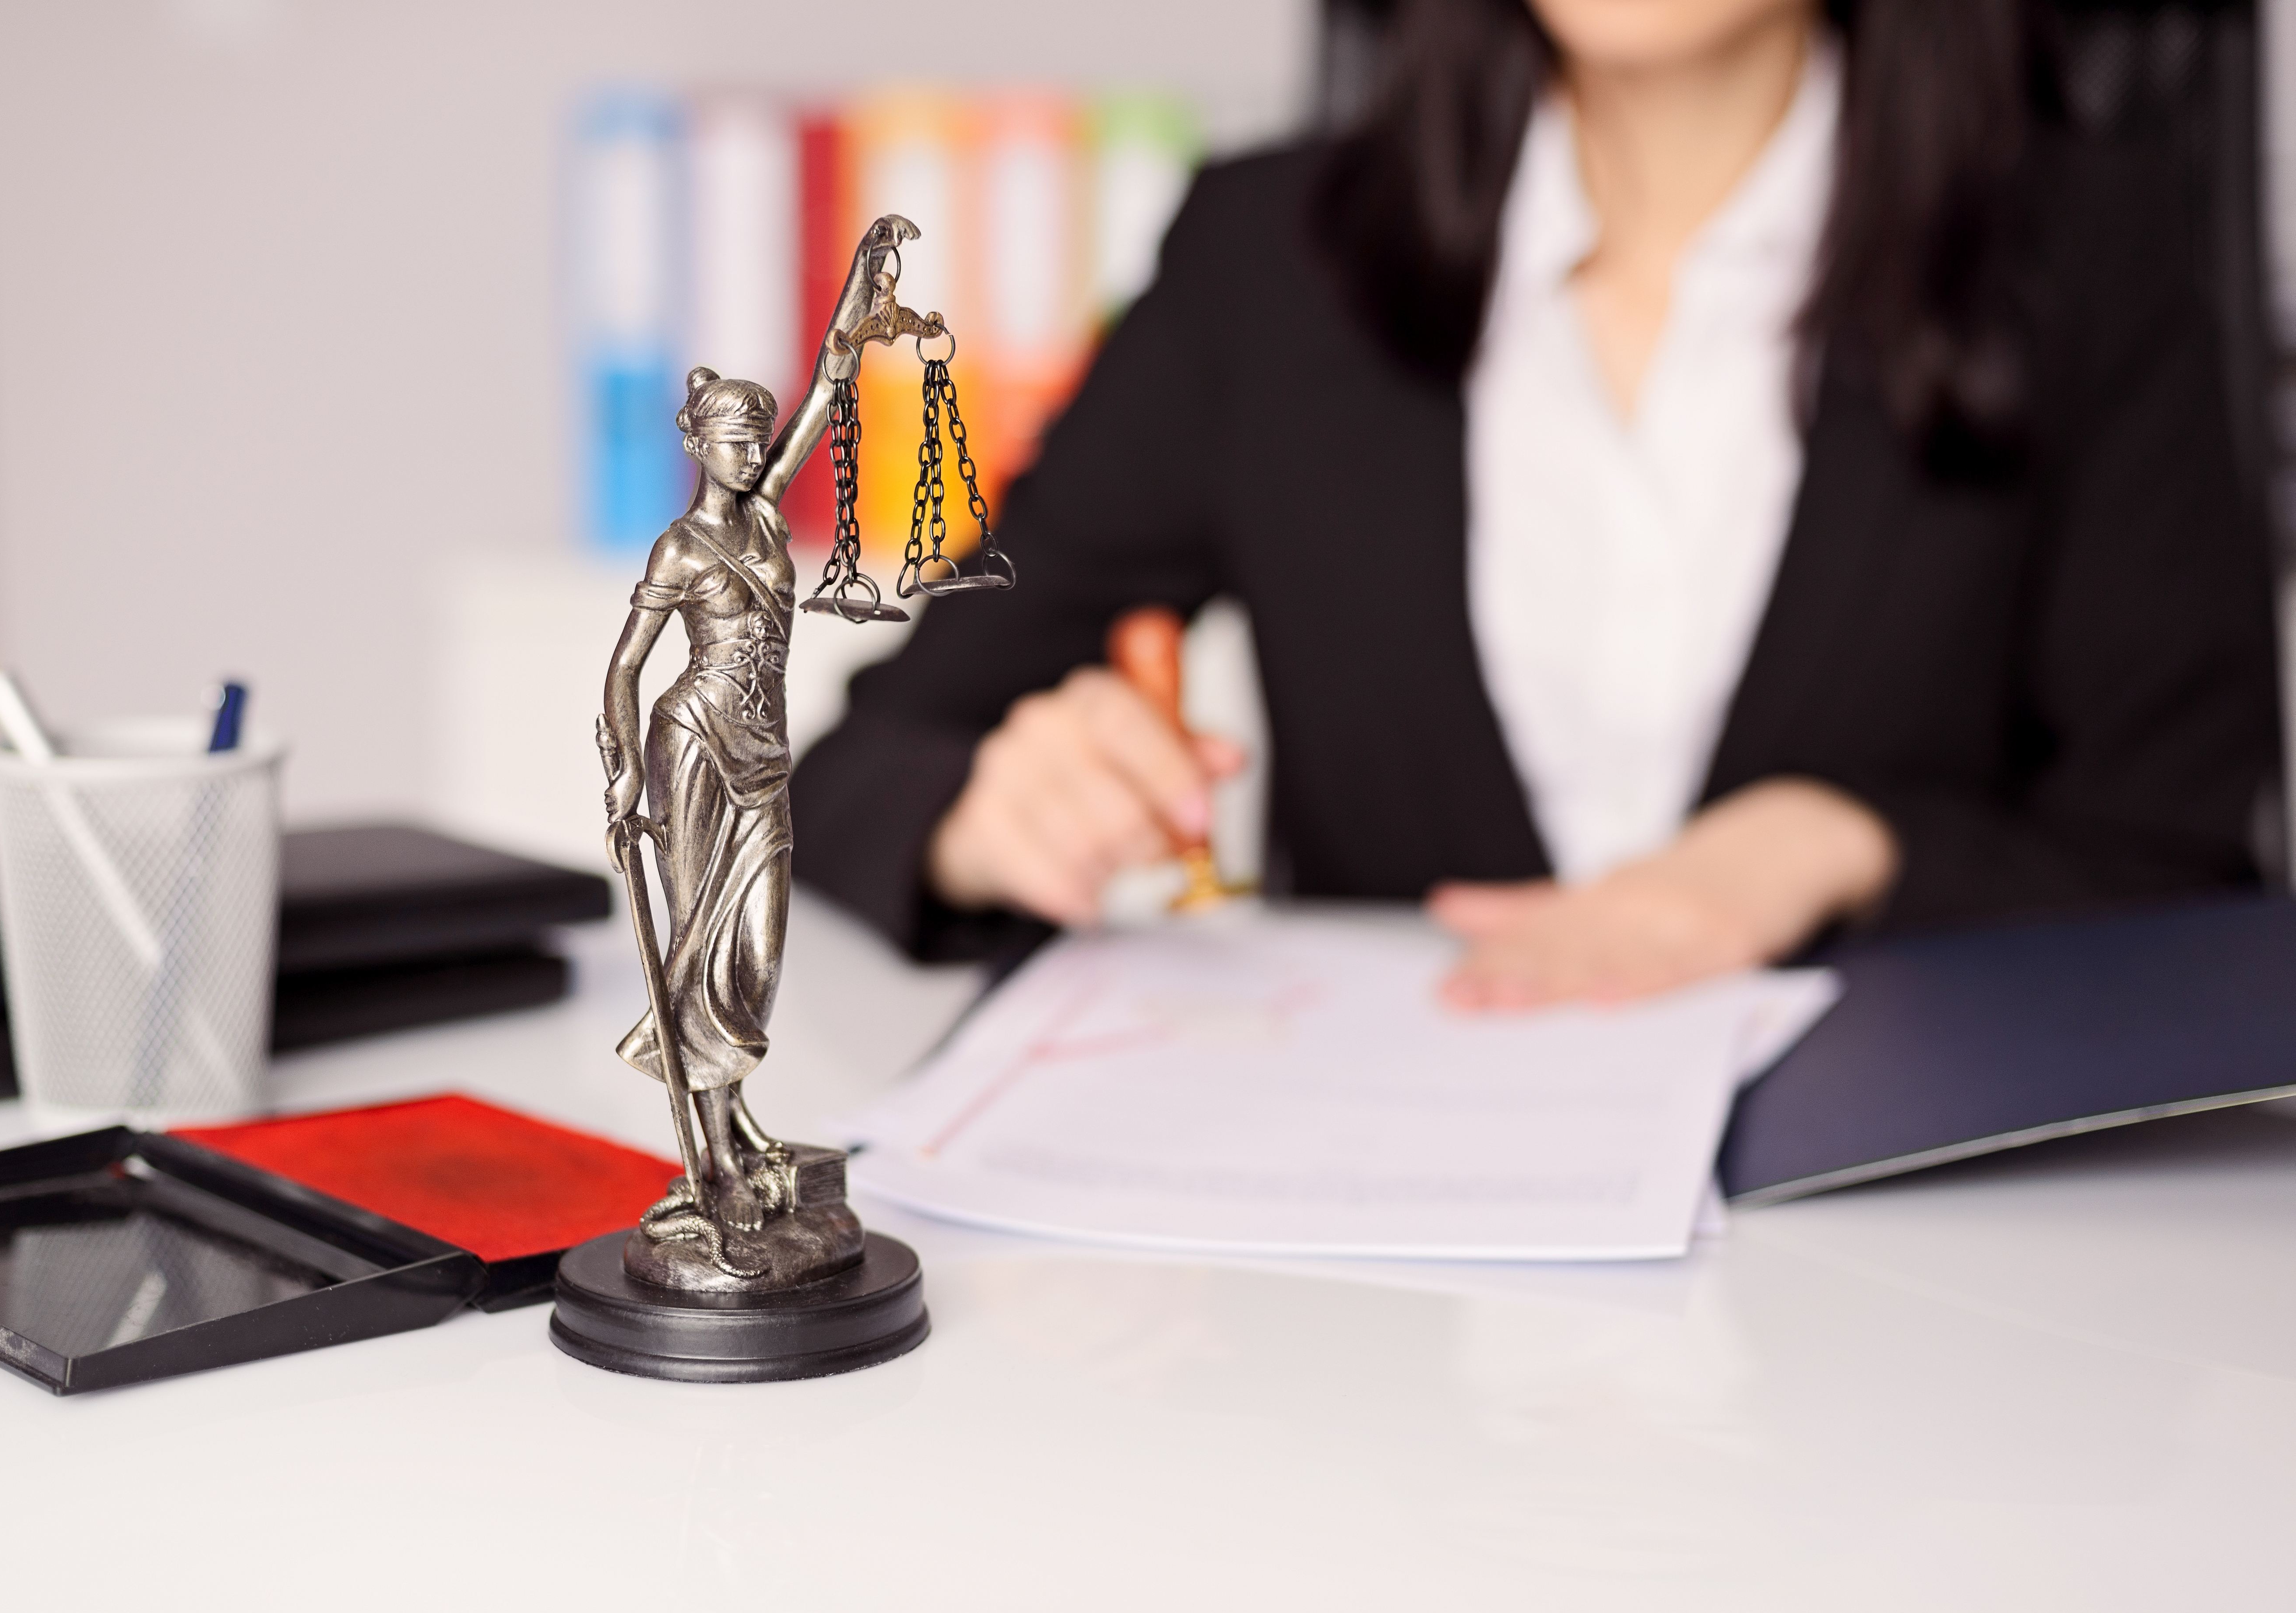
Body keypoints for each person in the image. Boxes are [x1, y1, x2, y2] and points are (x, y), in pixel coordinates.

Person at [791, 0, 2283, 1006]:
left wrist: (1840, 842)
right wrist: (987, 821)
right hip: (1395, 1324)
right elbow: (862, 765)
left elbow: (2189, 878)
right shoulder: (1271, 263)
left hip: (1921, 1309)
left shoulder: (2097, 259)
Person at [601, 217, 917, 1237]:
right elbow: (624, 668)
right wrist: (619, 775)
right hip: (690, 747)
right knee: (695, 952)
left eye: (756, 441)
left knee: (757, 953)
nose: (749, 456)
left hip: (766, 758)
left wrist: (861, 289)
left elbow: (829, 395)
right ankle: (714, 1153)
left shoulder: (771, 519)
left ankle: (737, 1126)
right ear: (698, 445)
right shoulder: (682, 547)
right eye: (734, 442)